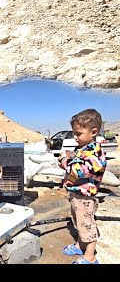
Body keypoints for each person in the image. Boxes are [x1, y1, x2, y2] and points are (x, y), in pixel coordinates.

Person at [59, 108, 106, 264]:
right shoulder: (84, 150)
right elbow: (77, 161)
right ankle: (80, 246)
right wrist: (69, 156)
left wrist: (65, 162)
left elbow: (80, 171)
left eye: (78, 134)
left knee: (87, 225)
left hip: (85, 197)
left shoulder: (95, 153)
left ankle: (90, 256)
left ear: (93, 132)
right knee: (80, 223)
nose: (75, 137)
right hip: (77, 195)